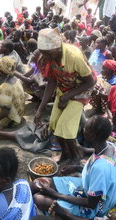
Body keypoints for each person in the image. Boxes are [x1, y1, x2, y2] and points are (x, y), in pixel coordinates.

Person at [31, 116, 116, 219]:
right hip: (88, 187)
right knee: (37, 183)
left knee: (38, 198)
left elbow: (91, 203)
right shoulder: (111, 146)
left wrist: (56, 194)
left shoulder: (101, 168)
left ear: (92, 136)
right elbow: (98, 166)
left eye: (86, 128)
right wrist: (77, 168)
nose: (83, 129)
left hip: (97, 205)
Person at [34, 28, 95, 162]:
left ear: (57, 47)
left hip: (80, 91)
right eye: (44, 53)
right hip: (64, 90)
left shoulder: (74, 56)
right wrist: (40, 109)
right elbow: (51, 82)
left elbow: (90, 81)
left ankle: (76, 156)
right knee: (54, 124)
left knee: (65, 127)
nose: (46, 57)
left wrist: (67, 97)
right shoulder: (48, 57)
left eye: (48, 54)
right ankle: (66, 154)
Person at [0, 57, 26, 128]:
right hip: (20, 115)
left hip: (13, 121)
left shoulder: (4, 87)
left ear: (0, 72)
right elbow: (8, 101)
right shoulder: (16, 80)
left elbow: (5, 113)